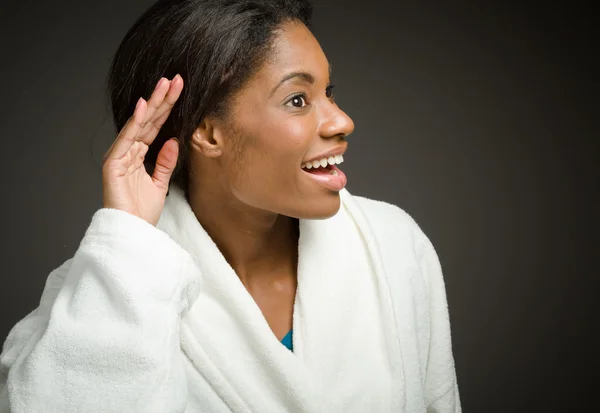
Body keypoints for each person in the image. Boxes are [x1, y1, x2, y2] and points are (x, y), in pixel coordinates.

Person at [0, 0, 461, 412]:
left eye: (329, 93)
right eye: (298, 100)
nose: (342, 121)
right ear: (208, 133)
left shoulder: (393, 246)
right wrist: (129, 240)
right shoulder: (103, 291)